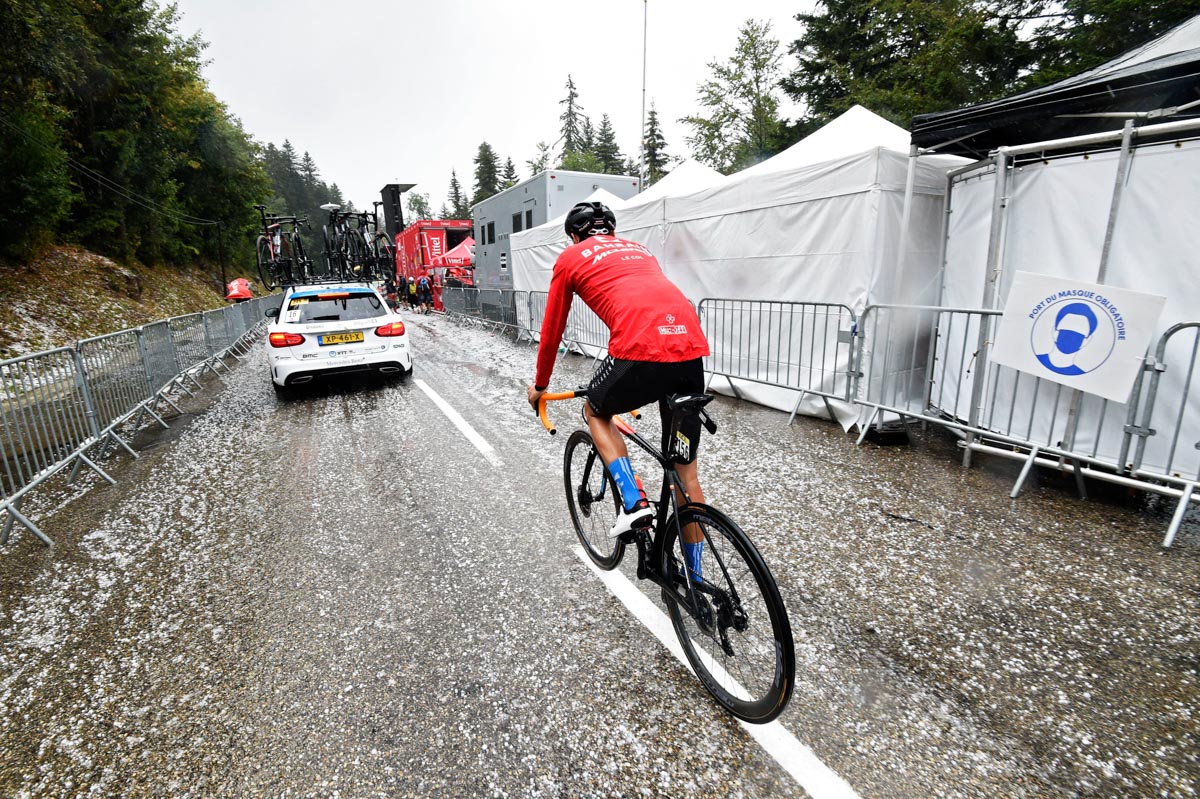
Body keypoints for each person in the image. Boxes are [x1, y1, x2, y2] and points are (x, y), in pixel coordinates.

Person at [526, 202, 710, 576]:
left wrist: (540, 386)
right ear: (610, 230)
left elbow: (551, 333)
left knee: (595, 410)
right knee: (685, 473)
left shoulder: (572, 256)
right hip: (690, 350)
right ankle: (697, 580)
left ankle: (634, 502)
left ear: (574, 235)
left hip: (640, 351)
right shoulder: (640, 250)